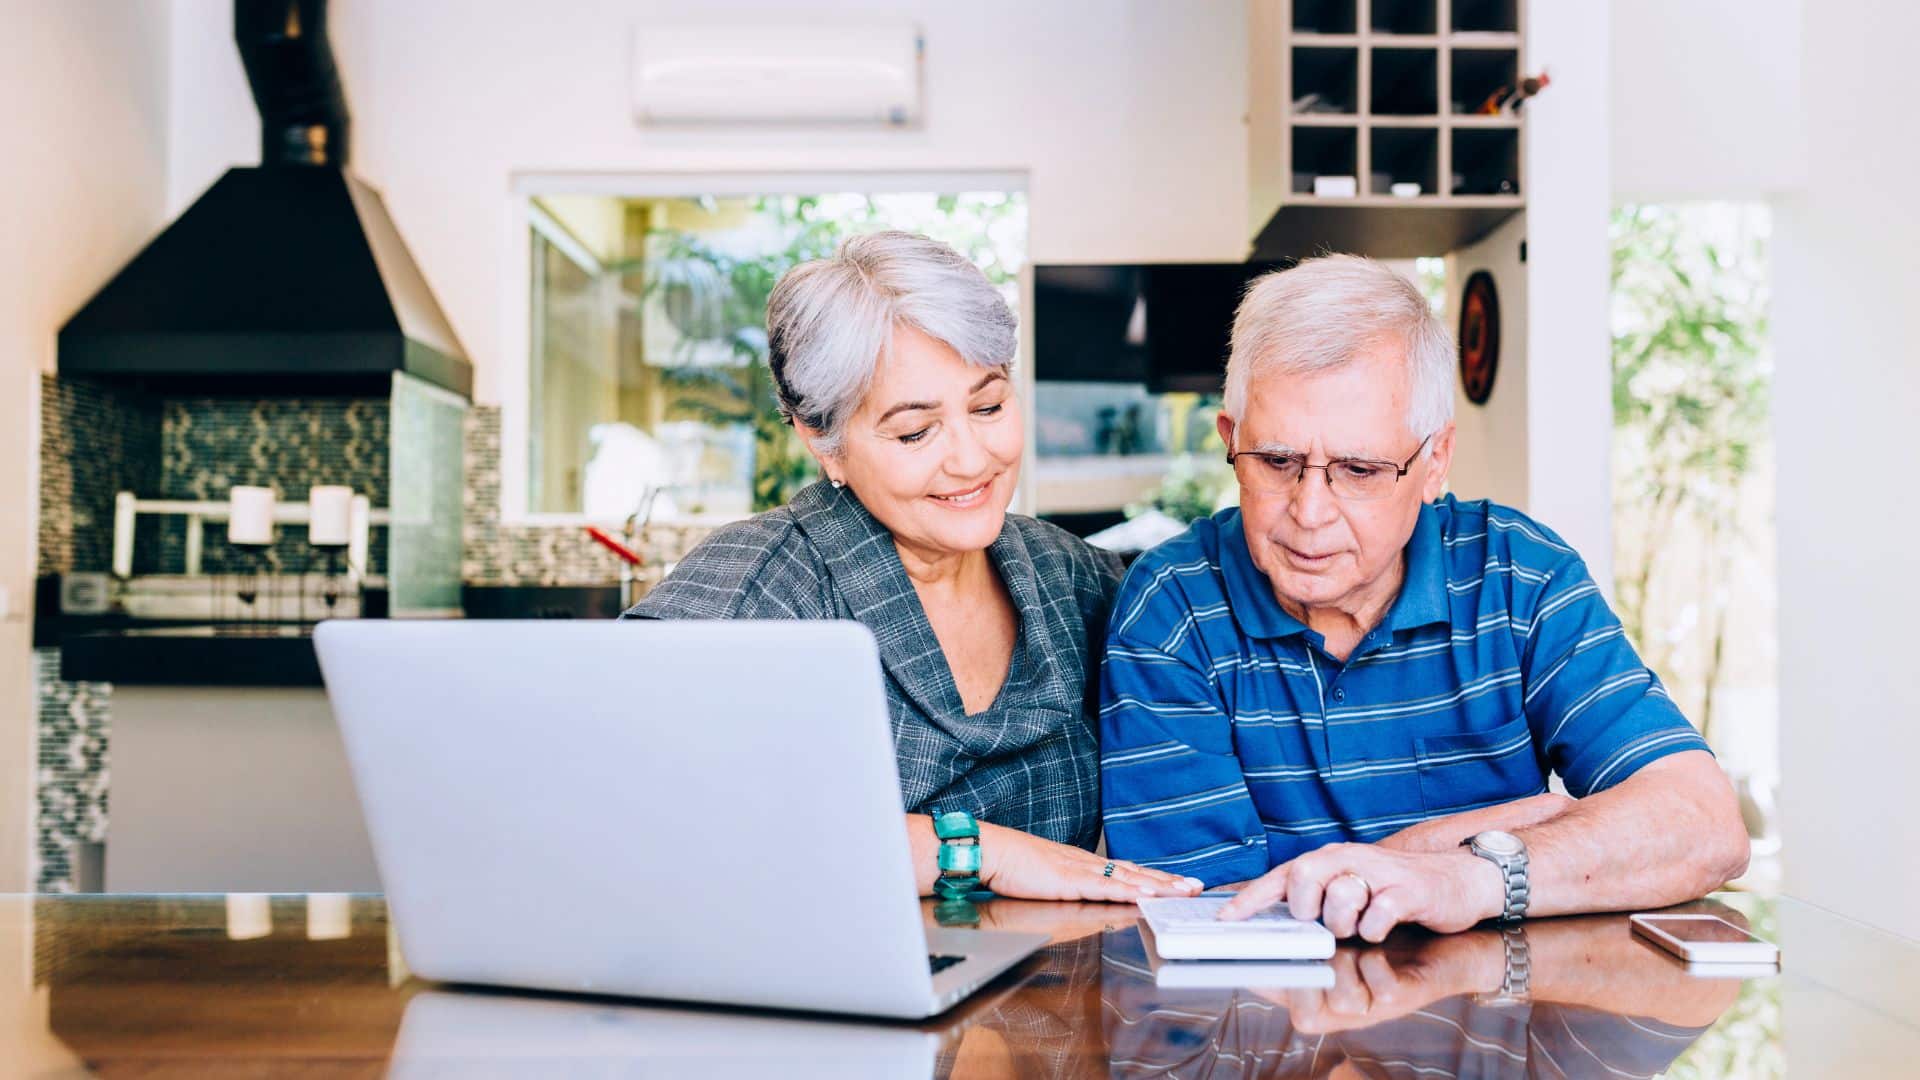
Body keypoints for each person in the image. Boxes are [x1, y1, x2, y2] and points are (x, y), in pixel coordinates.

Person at [1100, 254, 1748, 938]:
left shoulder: (1519, 576)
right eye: (1277, 461)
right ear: (1232, 441)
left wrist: (1469, 879)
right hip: (1274, 1038)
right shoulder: (1171, 610)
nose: (1310, 511)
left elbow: (1704, 824)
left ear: (1434, 461)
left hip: (1498, 1028)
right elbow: (1214, 915)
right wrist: (1521, 823)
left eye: (1359, 469)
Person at [628, 230, 1201, 903]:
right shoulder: (755, 593)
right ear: (824, 439)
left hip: (1048, 991)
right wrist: (975, 851)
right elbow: (633, 822)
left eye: (988, 406)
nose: (970, 458)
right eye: (914, 431)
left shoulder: (1071, 578)